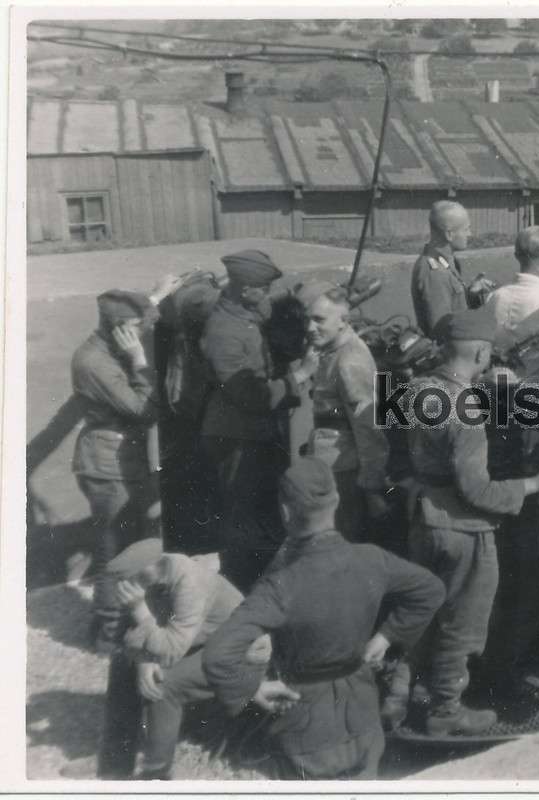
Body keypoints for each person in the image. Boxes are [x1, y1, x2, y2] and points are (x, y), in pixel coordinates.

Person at [202, 458, 445, 779]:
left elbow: (218, 654)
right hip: (363, 717)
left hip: (304, 730)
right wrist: (385, 637)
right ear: (337, 500)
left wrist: (252, 689)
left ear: (285, 512)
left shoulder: (280, 585)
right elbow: (431, 589)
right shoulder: (372, 559)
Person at [394, 308, 539, 736]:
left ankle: (398, 693)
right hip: (463, 527)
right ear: (478, 353)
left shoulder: (420, 390)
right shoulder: (467, 410)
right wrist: (533, 484)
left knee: (425, 613)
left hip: (423, 515)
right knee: (462, 624)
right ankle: (445, 709)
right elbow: (476, 491)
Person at [199, 250, 318, 592]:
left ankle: (263, 581)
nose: (267, 294)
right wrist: (301, 374)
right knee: (241, 517)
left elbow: (272, 309)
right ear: (244, 288)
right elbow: (250, 396)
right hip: (235, 436)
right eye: (263, 288)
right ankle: (239, 589)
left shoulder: (245, 309)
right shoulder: (223, 332)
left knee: (263, 510)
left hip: (258, 432)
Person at [96, 539, 265, 780]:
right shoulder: (154, 576)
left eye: (129, 583)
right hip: (198, 642)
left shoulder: (191, 584)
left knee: (163, 684)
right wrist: (143, 659)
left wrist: (140, 611)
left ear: (149, 574)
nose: (124, 589)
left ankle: (157, 775)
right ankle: (115, 766)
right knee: (123, 664)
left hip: (241, 653)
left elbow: (171, 651)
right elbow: (124, 633)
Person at [72, 280, 181, 651]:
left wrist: (155, 296)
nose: (142, 333)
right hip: (107, 467)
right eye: (136, 328)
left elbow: (139, 317)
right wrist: (139, 361)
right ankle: (107, 635)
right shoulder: (94, 363)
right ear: (117, 327)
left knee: (132, 546)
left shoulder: (112, 337)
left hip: (124, 460)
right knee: (114, 555)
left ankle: (119, 620)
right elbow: (145, 411)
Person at [297, 283, 391, 544]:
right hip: (332, 463)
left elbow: (368, 427)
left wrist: (372, 488)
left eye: (319, 320)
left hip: (345, 470)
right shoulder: (332, 348)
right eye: (306, 320)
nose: (310, 328)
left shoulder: (349, 361)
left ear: (343, 321)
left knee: (341, 542)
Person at [411, 201, 475, 337]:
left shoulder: (444, 260)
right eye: (466, 229)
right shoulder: (434, 272)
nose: (470, 234)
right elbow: (441, 330)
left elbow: (452, 300)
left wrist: (470, 294)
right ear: (449, 234)